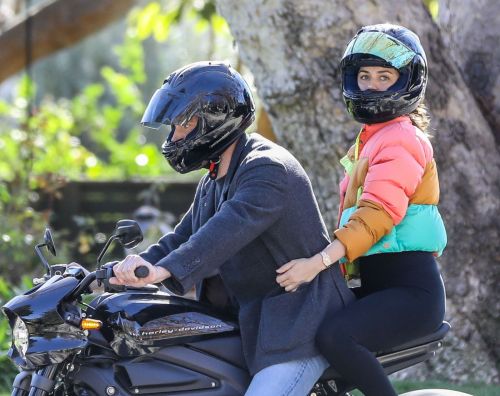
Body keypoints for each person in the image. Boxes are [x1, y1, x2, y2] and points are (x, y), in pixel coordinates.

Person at [109, 61, 354, 395]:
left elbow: (220, 235)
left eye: (182, 124)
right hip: (253, 327)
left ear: (214, 120)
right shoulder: (216, 176)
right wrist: (119, 270)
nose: (174, 136)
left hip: (297, 331)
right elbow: (183, 236)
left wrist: (163, 271)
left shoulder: (266, 169)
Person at [276, 24, 447, 396]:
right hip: (375, 283)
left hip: (409, 290)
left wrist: (317, 263)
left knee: (335, 337)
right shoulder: (374, 138)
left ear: (407, 82)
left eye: (384, 76)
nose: (371, 85)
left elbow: (376, 215)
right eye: (364, 75)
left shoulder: (401, 139)